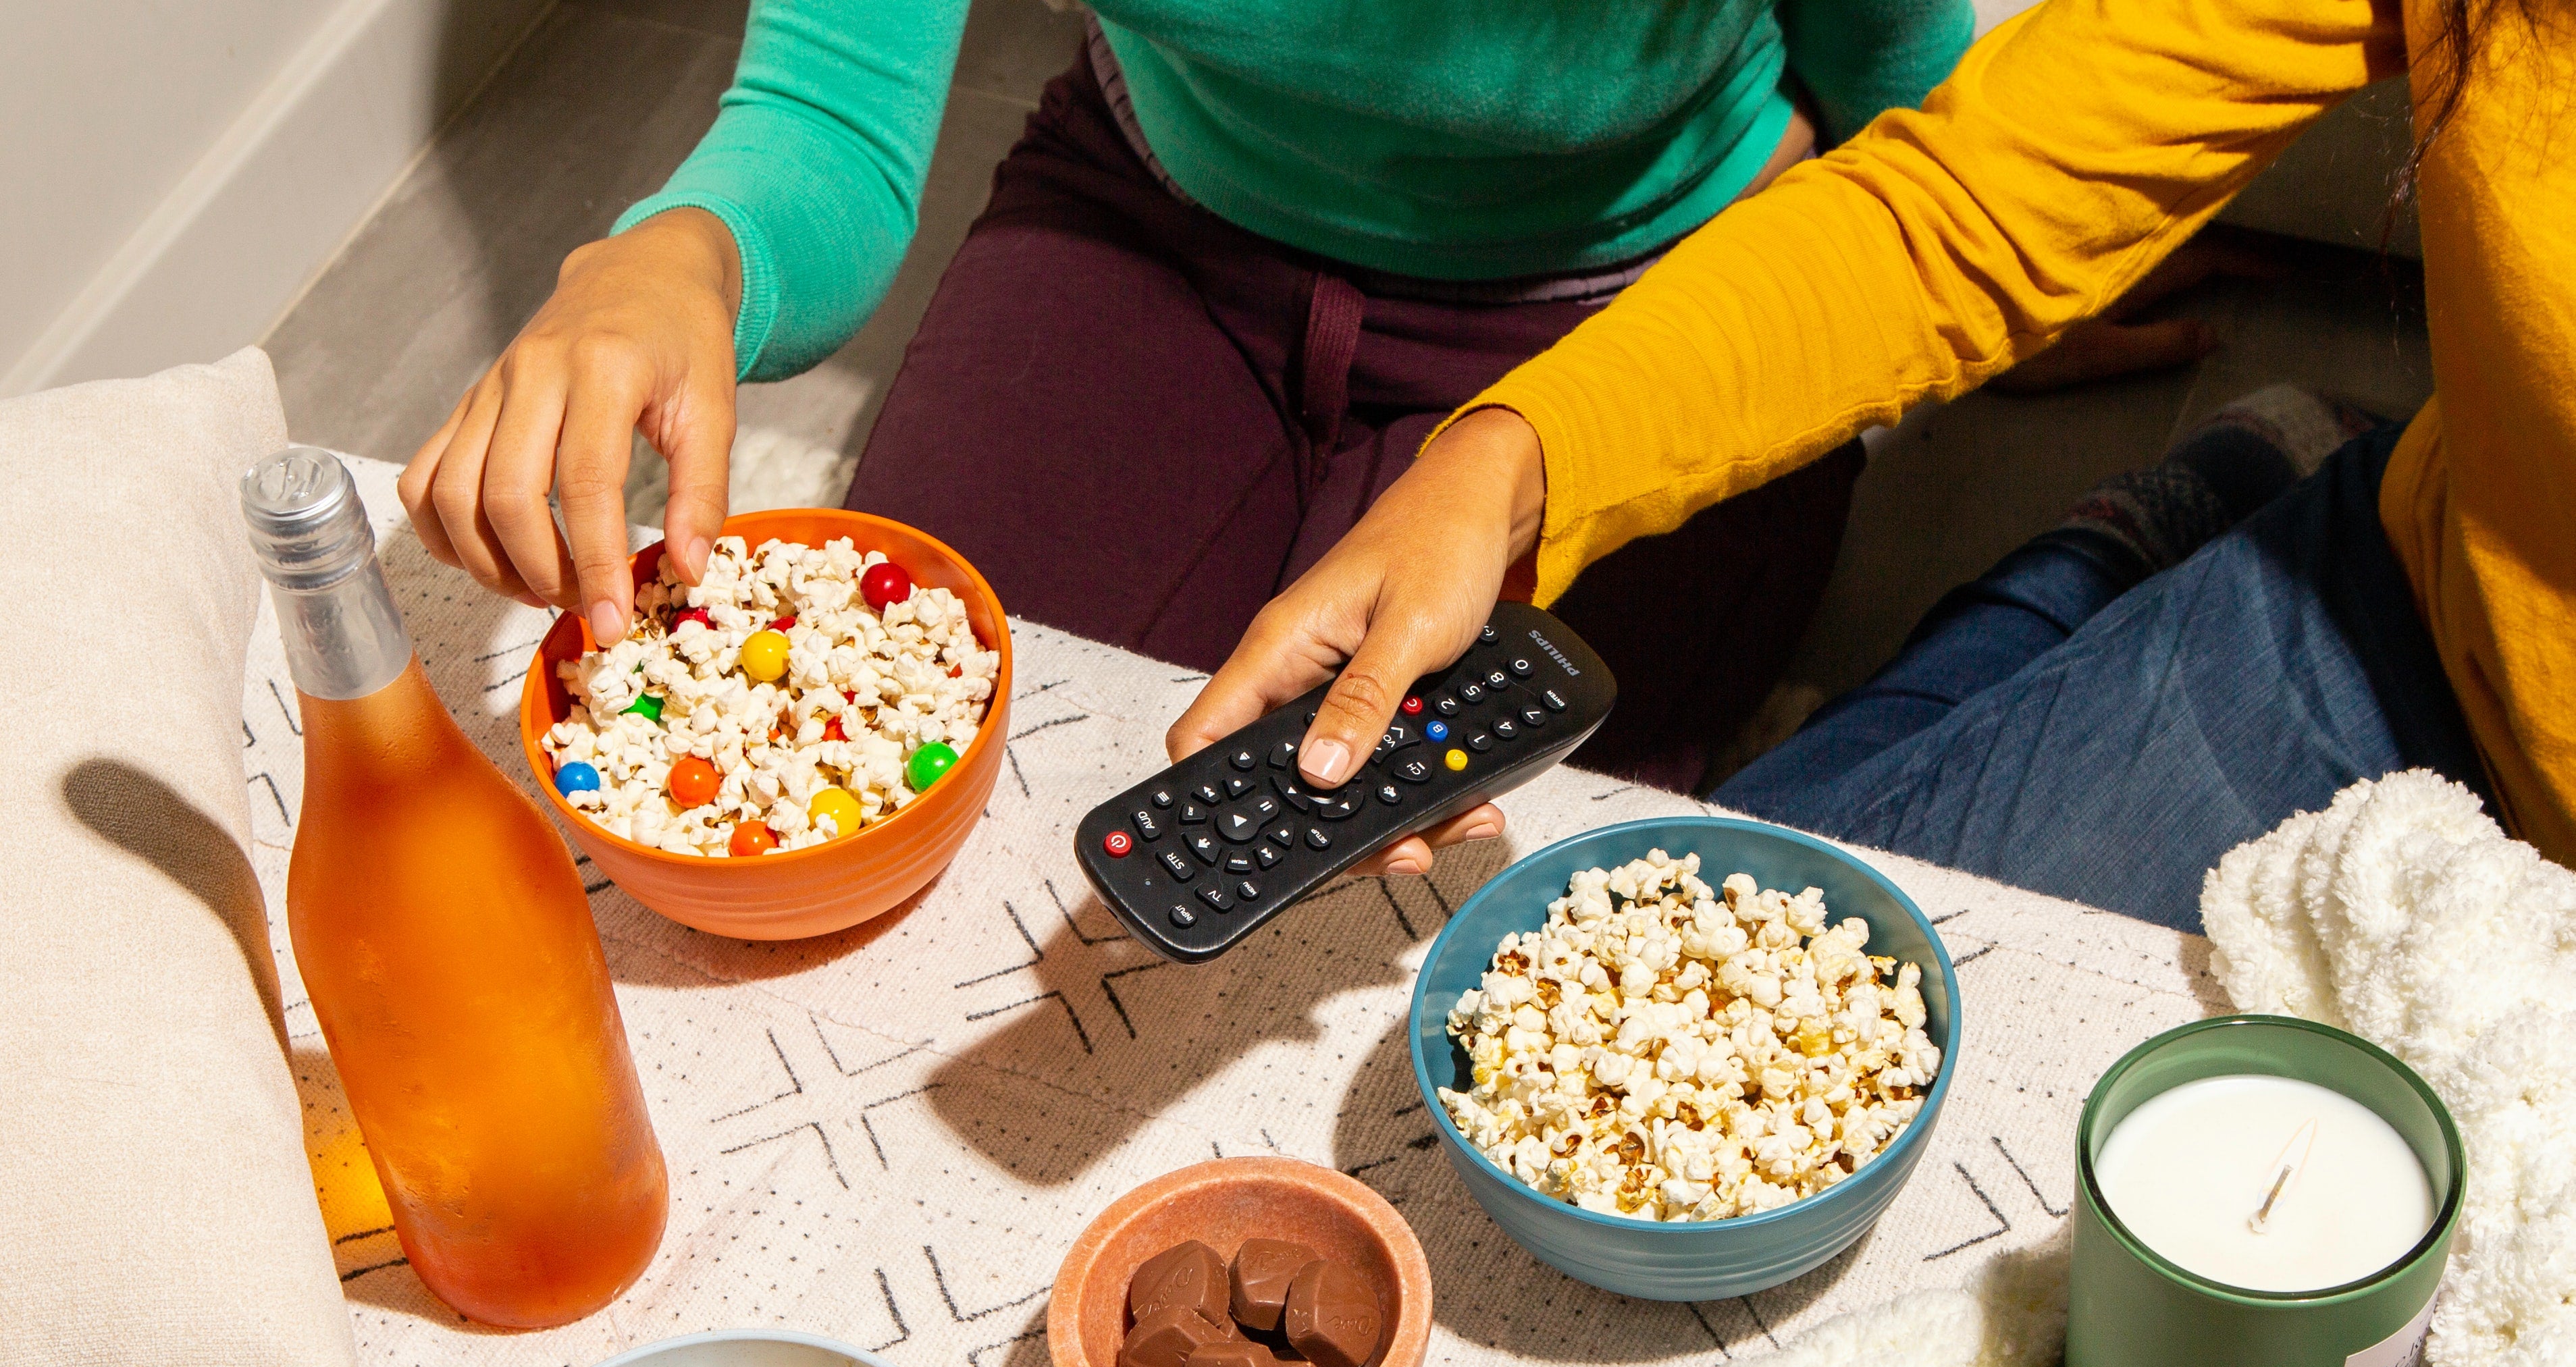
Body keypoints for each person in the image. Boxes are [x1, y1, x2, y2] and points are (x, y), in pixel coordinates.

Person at [1181, 0, 2571, 921]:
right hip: (2428, 620)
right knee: (1682, 968)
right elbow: (1967, 203)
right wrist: (1511, 458)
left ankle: (2149, 546)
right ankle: (2167, 536)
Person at [402, 0, 2000, 797]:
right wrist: (683, 253)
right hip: (1154, 212)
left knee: (1421, 876)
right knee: (902, 742)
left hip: (1631, 291)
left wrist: (1960, 262)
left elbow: (1889, 56)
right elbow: (827, 108)